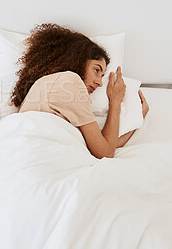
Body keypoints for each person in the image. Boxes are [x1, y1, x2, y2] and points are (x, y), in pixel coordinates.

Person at [10, 23, 149, 159]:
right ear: (79, 60)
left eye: (102, 76)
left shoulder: (48, 84)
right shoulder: (71, 81)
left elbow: (102, 146)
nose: (100, 83)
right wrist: (115, 101)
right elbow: (105, 153)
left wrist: (136, 120)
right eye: (96, 70)